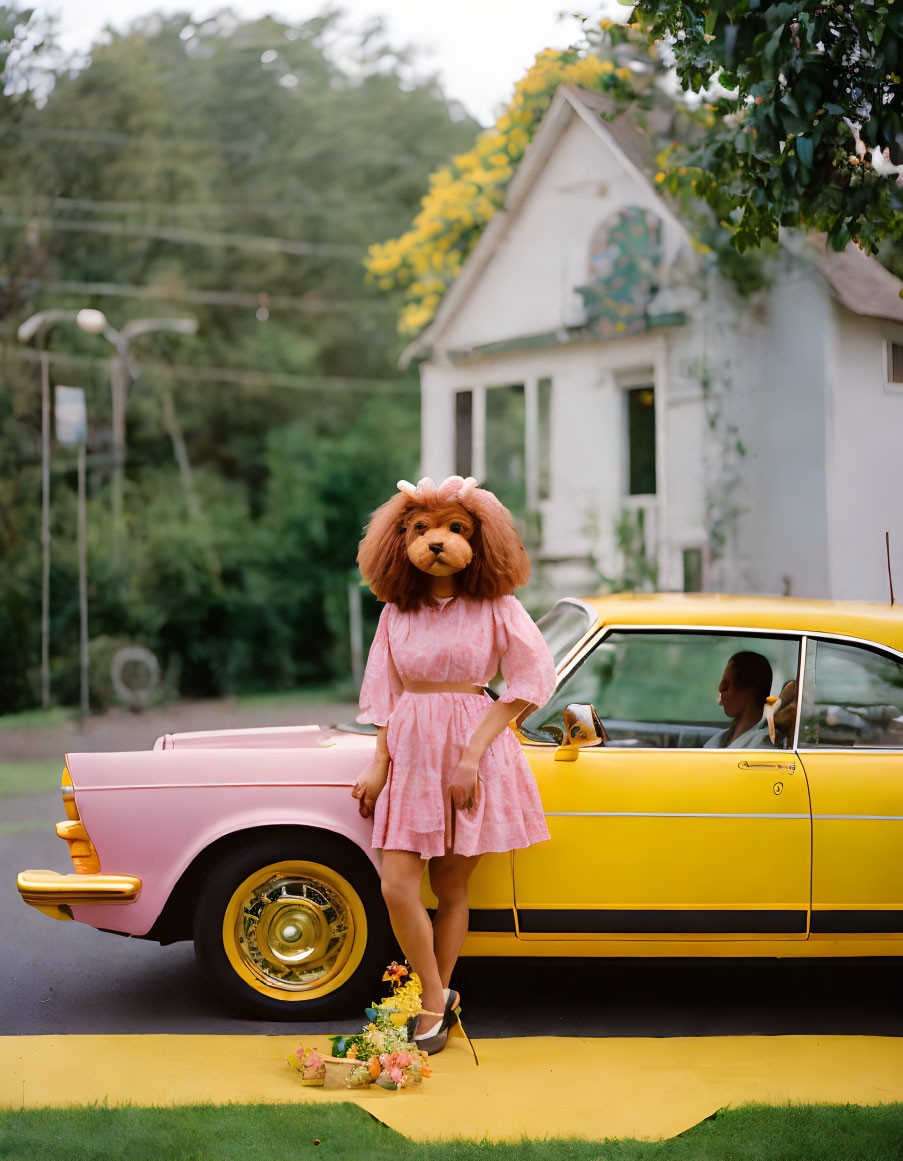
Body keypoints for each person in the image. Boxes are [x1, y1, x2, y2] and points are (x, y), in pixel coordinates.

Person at [350, 475, 556, 1054]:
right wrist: (377, 765)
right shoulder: (397, 610)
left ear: (478, 540)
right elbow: (385, 693)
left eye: (454, 529)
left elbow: (529, 682)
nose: (436, 541)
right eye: (422, 530)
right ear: (402, 541)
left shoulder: (497, 606)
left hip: (475, 744)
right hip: (412, 749)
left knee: (451, 886)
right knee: (397, 886)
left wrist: (471, 756)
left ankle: (430, 1005)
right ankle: (437, 996)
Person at [704, 651, 775, 749]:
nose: (720, 689)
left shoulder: (761, 746)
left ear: (750, 689)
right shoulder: (724, 737)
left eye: (726, 686)